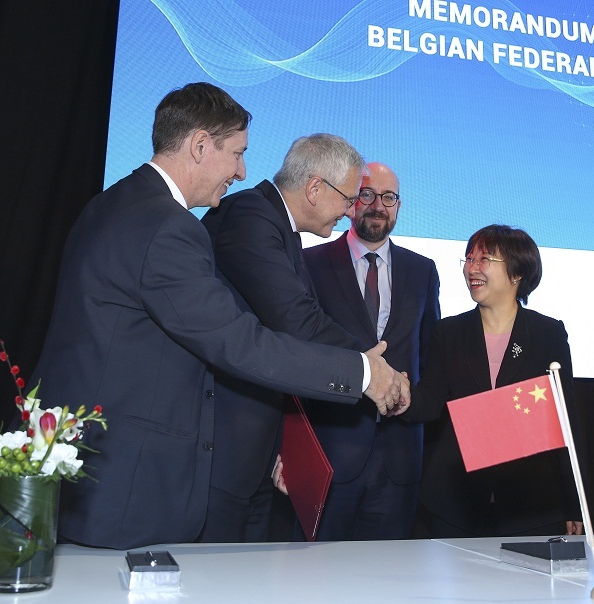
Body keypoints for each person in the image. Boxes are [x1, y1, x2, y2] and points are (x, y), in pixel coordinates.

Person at [30, 83, 405, 550]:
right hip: (126, 477)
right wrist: (362, 372)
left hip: (92, 460)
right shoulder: (167, 226)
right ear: (200, 145)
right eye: (237, 154)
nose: (241, 171)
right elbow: (239, 342)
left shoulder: (113, 203)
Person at [199, 135, 410, 542]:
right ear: (315, 188)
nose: (350, 211)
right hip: (223, 449)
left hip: (254, 452)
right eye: (348, 199)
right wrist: (371, 368)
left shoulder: (281, 230)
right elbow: (295, 321)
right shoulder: (251, 216)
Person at [405, 225, 583, 538]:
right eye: (469, 259)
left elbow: (564, 420)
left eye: (484, 259)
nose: (472, 268)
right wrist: (400, 394)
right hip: (456, 501)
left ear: (517, 273)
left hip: (531, 504)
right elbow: (430, 402)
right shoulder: (449, 332)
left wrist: (574, 503)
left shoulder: (548, 334)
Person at [300, 162, 440, 540]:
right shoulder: (310, 264)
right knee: (318, 570)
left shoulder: (423, 271)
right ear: (350, 202)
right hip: (331, 452)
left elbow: (429, 356)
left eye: (388, 197)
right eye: (367, 194)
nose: (378, 205)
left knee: (390, 572)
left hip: (400, 460)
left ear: (399, 206)